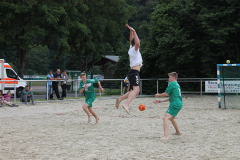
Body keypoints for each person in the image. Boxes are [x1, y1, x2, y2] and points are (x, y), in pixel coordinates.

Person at [115, 24, 143, 115]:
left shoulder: (131, 48)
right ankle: (126, 104)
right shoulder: (135, 49)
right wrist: (134, 32)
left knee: (136, 91)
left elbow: (133, 40)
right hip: (134, 72)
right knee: (136, 90)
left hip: (132, 72)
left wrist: (131, 31)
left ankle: (120, 98)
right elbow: (137, 42)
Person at [152, 72, 182, 140]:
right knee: (171, 118)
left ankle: (166, 136)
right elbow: (171, 97)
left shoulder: (172, 83)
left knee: (165, 118)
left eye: (170, 77)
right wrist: (160, 101)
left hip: (175, 104)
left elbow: (165, 94)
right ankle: (177, 132)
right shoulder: (177, 84)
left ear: (173, 78)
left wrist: (158, 95)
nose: (169, 79)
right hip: (178, 103)